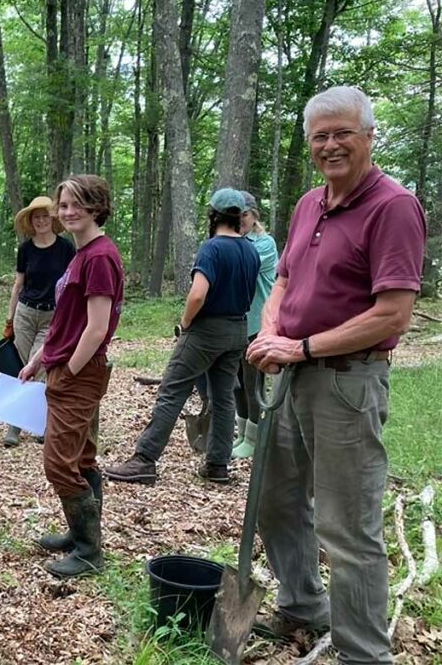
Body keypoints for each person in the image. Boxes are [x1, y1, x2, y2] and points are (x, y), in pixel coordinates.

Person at [246, 86, 425, 663]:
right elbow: (284, 280)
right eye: (320, 136)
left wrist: (299, 346)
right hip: (292, 374)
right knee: (276, 501)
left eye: (343, 132)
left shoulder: (393, 206)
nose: (331, 145)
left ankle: (363, 654)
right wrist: (272, 332)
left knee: (349, 529)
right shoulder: (308, 204)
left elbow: (392, 313)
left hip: (347, 383)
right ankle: (301, 604)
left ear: (370, 136)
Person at [104, 188, 259, 485]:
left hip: (206, 331)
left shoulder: (212, 248)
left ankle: (145, 459)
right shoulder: (250, 251)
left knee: (172, 391)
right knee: (223, 397)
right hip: (237, 330)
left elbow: (198, 293)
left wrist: (186, 322)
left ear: (213, 215)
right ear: (239, 217)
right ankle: (217, 465)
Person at [18, 174, 123, 578]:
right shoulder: (81, 254)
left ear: (97, 206)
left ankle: (88, 550)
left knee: (59, 464)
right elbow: (67, 319)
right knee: (82, 457)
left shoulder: (98, 256)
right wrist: (40, 360)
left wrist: (69, 370)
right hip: (65, 365)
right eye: (63, 205)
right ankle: (80, 534)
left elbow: (96, 327)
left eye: (77, 204)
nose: (67, 212)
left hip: (79, 372)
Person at [1, 196, 76, 447]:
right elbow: (18, 284)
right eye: (37, 217)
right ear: (31, 222)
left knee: (40, 364)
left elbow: (71, 285)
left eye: (45, 216)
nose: (41, 221)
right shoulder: (25, 249)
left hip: (53, 314)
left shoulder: (66, 249)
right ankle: (15, 425)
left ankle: (40, 422)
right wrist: (10, 319)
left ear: (52, 219)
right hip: (26, 312)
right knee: (20, 365)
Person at [229, 191, 279, 459]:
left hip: (257, 322)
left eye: (244, 215)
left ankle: (255, 435)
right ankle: (242, 433)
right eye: (235, 216)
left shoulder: (264, 243)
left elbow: (242, 266)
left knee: (253, 382)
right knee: (236, 382)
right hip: (236, 323)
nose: (240, 220)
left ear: (253, 215)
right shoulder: (232, 241)